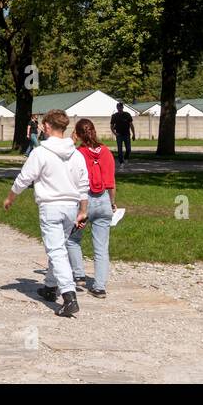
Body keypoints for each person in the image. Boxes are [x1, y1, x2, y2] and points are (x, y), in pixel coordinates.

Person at [2, 109, 89, 317]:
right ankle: (50, 287)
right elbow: (83, 184)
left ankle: (68, 296)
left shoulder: (41, 153)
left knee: (56, 250)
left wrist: (10, 198)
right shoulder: (76, 154)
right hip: (70, 207)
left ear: (48, 127)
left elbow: (24, 178)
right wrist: (83, 210)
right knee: (58, 247)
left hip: (50, 206)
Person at [68, 118, 117, 298]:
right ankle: (99, 287)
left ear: (78, 134)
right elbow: (111, 183)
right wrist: (111, 203)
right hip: (103, 200)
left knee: (73, 239)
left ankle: (79, 274)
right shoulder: (106, 152)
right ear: (94, 131)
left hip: (84, 203)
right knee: (101, 247)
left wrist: (71, 142)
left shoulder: (77, 153)